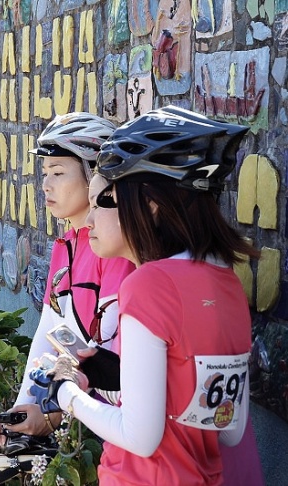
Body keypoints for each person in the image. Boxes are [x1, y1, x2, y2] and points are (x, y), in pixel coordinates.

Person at [34, 106, 261, 485]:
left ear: (151, 206)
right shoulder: (225, 282)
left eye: (101, 202)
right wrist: (120, 373)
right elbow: (227, 427)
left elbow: (140, 436)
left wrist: (66, 392)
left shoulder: (148, 284)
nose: (89, 220)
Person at [0, 113, 135, 450]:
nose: (45, 185)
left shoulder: (117, 251)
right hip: (80, 415)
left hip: (113, 426)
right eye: (44, 174)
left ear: (95, 177)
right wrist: (25, 406)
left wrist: (51, 411)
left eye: (58, 173)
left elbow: (107, 351)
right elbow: (51, 332)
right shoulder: (66, 245)